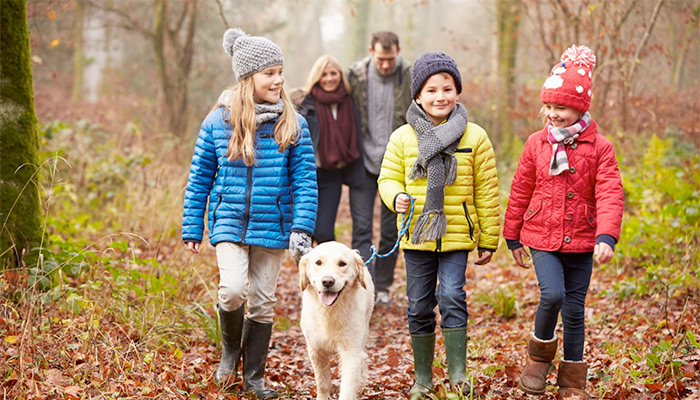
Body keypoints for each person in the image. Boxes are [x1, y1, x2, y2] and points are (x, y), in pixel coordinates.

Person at [181, 28, 317, 399]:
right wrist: (193, 225)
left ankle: (254, 375)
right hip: (228, 222)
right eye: (269, 73)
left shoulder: (293, 124)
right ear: (247, 78)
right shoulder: (217, 122)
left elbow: (305, 181)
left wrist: (302, 228)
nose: (278, 79)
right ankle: (229, 352)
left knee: (262, 298)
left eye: (280, 71)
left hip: (274, 225)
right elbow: (199, 180)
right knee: (232, 290)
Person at [503, 45, 623, 399]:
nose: (554, 114)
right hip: (542, 236)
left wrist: (606, 235)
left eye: (562, 107)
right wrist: (512, 236)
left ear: (580, 107)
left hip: (583, 239)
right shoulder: (536, 144)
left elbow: (610, 191)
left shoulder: (601, 147)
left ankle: (572, 378)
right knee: (552, 294)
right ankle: (538, 359)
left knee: (574, 309)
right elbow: (521, 187)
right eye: (550, 107)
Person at [378, 52, 500, 397]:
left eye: (447, 88)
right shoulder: (403, 137)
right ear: (418, 95)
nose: (440, 96)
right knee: (418, 304)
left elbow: (487, 190)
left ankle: (458, 375)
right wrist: (396, 196)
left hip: (457, 234)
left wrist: (489, 238)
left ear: (457, 92)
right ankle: (423, 378)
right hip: (417, 234)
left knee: (451, 296)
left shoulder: (474, 136)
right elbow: (386, 179)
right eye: (431, 90)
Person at [348, 31, 412, 306]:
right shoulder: (356, 75)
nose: (386, 65)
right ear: (371, 51)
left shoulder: (408, 74)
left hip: (395, 165)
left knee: (390, 229)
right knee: (362, 228)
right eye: (381, 59)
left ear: (398, 50)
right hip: (362, 162)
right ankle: (364, 284)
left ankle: (382, 285)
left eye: (390, 58)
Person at [297, 55, 366, 245]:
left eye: (333, 73)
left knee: (324, 230)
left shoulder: (349, 102)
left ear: (340, 75)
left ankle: (329, 270)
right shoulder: (305, 102)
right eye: (324, 74)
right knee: (305, 230)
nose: (329, 78)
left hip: (331, 175)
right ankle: (307, 272)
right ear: (317, 77)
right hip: (306, 174)